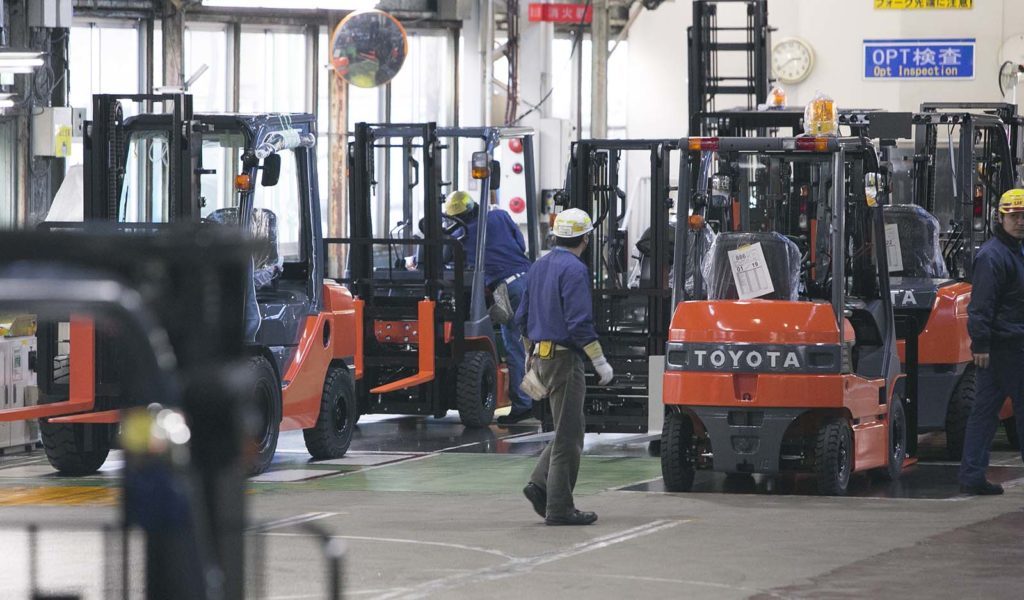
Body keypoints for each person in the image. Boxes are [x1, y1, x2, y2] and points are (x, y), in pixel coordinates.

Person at [514, 208, 614, 526]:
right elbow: (579, 322)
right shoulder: (574, 269)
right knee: (570, 434)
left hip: (541, 358)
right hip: (564, 360)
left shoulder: (539, 266)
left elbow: (522, 317)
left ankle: (539, 484)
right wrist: (599, 361)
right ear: (585, 238)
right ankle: (559, 507)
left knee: (570, 427)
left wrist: (530, 354)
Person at [443, 191, 534, 424]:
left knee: (514, 345)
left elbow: (445, 259)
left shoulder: (460, 236)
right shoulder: (501, 216)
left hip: (508, 289)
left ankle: (523, 405)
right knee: (535, 345)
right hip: (530, 279)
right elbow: (520, 244)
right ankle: (543, 402)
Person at [959, 188, 1024, 495]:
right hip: (1005, 347)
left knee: (984, 414)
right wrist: (980, 345)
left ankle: (972, 476)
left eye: (1023, 216)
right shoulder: (993, 256)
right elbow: (981, 305)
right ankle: (971, 474)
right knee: (991, 414)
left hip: (1009, 345)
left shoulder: (1015, 251)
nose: (1020, 221)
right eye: (1014, 216)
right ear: (1000, 217)